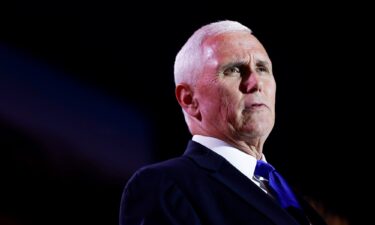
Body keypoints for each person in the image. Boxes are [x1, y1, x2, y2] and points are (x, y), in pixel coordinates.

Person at [119, 20, 327, 225]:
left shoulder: (289, 195)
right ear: (189, 100)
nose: (255, 83)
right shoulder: (165, 185)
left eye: (262, 68)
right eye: (234, 70)